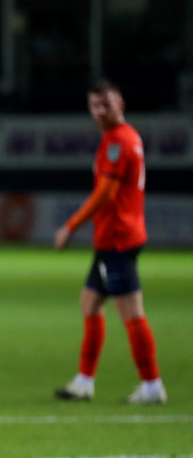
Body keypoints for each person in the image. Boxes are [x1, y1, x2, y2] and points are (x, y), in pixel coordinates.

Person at [54, 80, 166, 404]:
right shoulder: (122, 138)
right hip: (113, 238)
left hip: (118, 239)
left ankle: (152, 385)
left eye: (107, 104)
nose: (101, 111)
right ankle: (84, 381)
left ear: (121, 104)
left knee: (131, 312)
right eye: (95, 105)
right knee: (90, 304)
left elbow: (106, 193)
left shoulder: (118, 141)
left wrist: (71, 225)